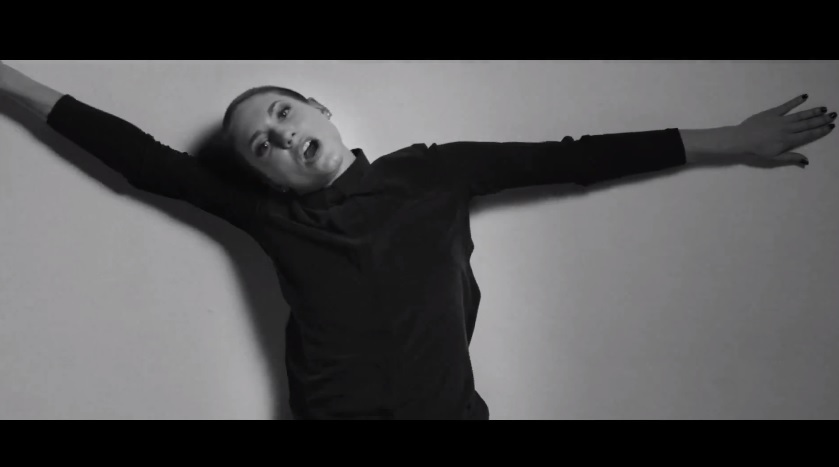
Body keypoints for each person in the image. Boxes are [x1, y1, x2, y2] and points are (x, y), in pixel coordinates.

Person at [0, 61, 835, 420]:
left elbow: (572, 159)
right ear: (265, 177)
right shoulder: (271, 215)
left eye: (284, 113)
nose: (281, 137)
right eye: (262, 144)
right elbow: (138, 159)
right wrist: (12, 83)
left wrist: (728, 140)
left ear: (321, 112)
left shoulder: (432, 173)